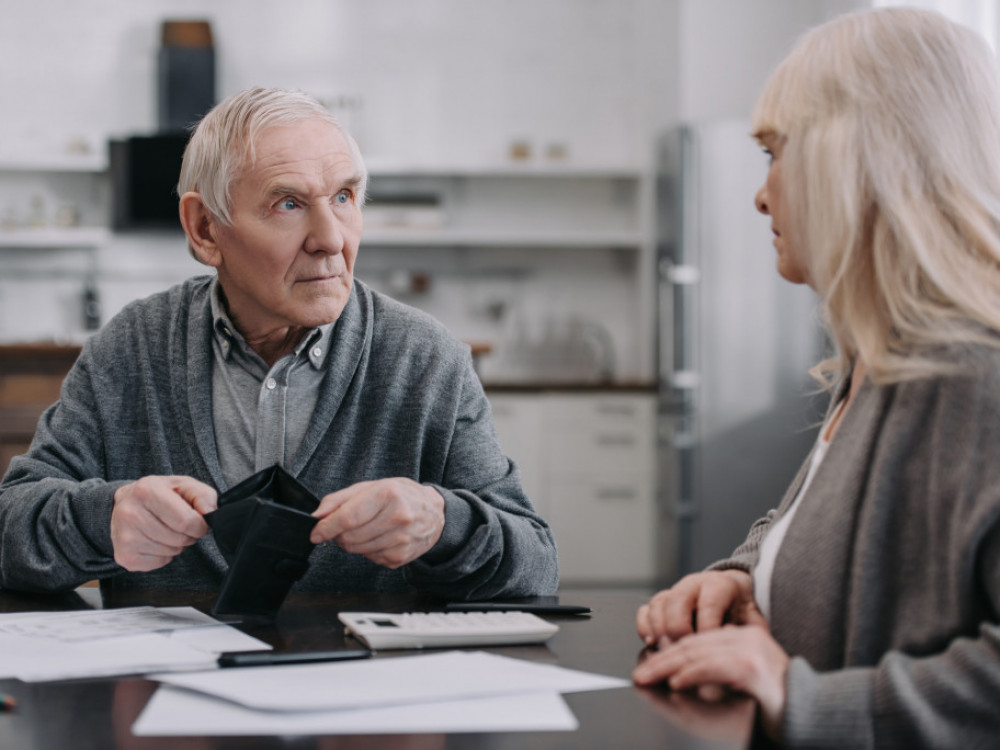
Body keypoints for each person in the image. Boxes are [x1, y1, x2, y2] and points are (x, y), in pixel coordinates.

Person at [0, 87, 558, 600]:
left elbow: (535, 564)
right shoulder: (131, 349)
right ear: (204, 229)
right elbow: (10, 528)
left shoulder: (426, 359)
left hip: (358, 677)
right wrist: (104, 518)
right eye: (288, 204)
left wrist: (443, 524)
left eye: (344, 197)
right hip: (167, 677)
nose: (331, 239)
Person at [633, 8, 1000, 748]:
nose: (760, 195)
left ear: (859, 160)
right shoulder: (880, 363)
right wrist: (742, 579)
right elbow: (820, 535)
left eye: (777, 153)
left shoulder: (975, 380)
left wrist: (800, 697)